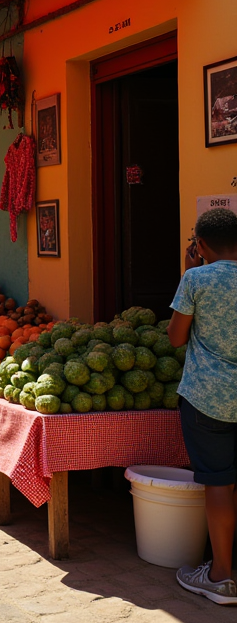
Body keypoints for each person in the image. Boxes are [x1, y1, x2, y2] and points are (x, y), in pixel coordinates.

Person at [168, 209, 237, 606]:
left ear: (201, 246)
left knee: (217, 482)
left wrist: (187, 273)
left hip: (207, 397)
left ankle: (221, 576)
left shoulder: (196, 278)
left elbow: (176, 338)